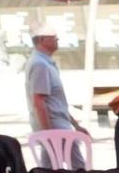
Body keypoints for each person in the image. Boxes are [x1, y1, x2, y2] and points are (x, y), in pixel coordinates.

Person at [25, 32, 86, 164]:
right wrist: (48, 134)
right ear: (42, 40)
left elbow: (57, 102)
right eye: (53, 37)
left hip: (58, 125)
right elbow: (38, 101)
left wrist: (76, 125)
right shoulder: (40, 65)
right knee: (78, 168)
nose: (57, 39)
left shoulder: (46, 63)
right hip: (55, 127)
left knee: (51, 170)